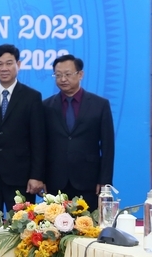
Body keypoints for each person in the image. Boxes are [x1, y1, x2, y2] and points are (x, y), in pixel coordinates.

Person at [0, 44, 46, 225]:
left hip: (21, 177)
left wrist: (37, 175)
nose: (4, 68)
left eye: (9, 63)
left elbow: (39, 140)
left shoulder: (32, 97)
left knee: (24, 230)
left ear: (18, 64)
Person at [43, 55, 114, 210]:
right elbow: (41, 145)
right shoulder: (46, 106)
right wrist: (42, 178)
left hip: (88, 179)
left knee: (88, 228)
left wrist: (105, 181)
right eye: (58, 75)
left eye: (68, 74)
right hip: (55, 180)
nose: (62, 79)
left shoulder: (99, 105)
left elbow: (108, 146)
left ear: (80, 74)